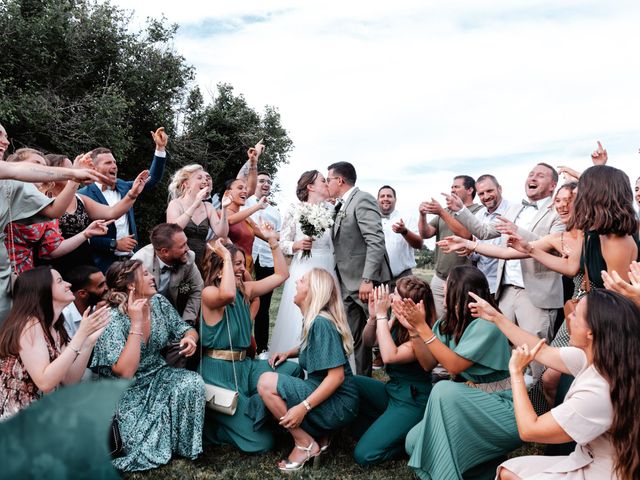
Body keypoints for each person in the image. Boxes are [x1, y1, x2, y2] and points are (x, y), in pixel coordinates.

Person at [468, 290, 640, 480]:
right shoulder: (604, 358)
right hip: (587, 459)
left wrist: (516, 373)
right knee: (508, 470)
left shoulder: (598, 392)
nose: (569, 316)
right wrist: (496, 317)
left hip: (604, 471)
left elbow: (529, 430)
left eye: (575, 314)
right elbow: (541, 352)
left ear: (590, 332)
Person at [397, 265, 520, 480]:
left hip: (503, 408)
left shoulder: (487, 325)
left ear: (460, 292)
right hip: (469, 403)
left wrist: (423, 328)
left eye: (448, 285)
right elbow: (427, 364)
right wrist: (413, 330)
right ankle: (487, 467)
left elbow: (453, 366)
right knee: (413, 442)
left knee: (444, 390)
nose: (443, 288)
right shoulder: (448, 323)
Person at [447, 164, 564, 380]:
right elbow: (483, 231)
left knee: (536, 355)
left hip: (537, 293)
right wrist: (460, 210)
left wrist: (516, 230)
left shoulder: (559, 211)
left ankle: (539, 408)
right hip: (506, 290)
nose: (533, 177)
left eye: (540, 175)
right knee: (500, 346)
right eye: (530, 174)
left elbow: (551, 246)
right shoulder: (515, 208)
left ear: (553, 185)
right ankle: (505, 402)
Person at [90, 259, 204, 472]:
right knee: (135, 445)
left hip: (158, 373)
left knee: (191, 381)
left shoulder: (159, 302)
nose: (153, 277)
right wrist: (136, 323)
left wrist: (190, 339)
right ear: (131, 285)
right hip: (125, 389)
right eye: (145, 274)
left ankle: (184, 447)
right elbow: (124, 373)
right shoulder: (113, 317)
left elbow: (184, 328)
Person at [200, 237, 303, 453]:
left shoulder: (244, 289)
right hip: (218, 374)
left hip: (245, 367)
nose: (241, 268)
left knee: (292, 370)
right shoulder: (209, 293)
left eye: (241, 263)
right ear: (220, 268)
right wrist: (226, 257)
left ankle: (256, 409)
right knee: (263, 443)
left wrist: (273, 242)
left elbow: (282, 275)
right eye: (236, 264)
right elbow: (226, 294)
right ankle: (214, 428)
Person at [255, 268, 358, 472]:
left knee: (266, 382)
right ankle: (323, 432)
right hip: (329, 394)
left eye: (301, 281)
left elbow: (336, 377)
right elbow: (313, 347)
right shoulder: (315, 320)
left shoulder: (320, 323)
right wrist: (289, 353)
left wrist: (303, 407)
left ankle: (305, 444)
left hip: (339, 402)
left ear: (312, 291)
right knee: (282, 375)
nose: (296, 283)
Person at [0, 267, 110, 420]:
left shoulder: (55, 326)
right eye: (60, 281)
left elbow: (70, 380)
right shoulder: (29, 325)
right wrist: (81, 334)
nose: (68, 284)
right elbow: (45, 382)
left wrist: (89, 341)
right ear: (42, 291)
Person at [352, 277, 435, 466]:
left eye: (395, 294)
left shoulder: (421, 331)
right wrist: (374, 317)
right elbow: (369, 342)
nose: (390, 296)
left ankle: (410, 445)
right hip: (393, 391)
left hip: (412, 401)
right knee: (351, 383)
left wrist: (382, 315)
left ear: (408, 304)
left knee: (364, 454)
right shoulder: (397, 319)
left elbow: (389, 356)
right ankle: (387, 430)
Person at [328, 161, 391, 377]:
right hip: (346, 283)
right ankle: (363, 381)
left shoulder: (362, 199)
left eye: (329, 179)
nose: (327, 183)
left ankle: (398, 380)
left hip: (365, 283)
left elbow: (375, 240)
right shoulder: (340, 205)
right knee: (355, 337)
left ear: (340, 180)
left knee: (382, 334)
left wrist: (367, 279)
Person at [4, 149, 112, 274]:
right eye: (36, 163)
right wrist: (75, 175)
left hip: (25, 274)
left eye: (45, 166)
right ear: (16, 165)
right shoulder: (7, 188)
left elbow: (53, 249)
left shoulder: (44, 201)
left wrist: (86, 233)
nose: (43, 169)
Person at [79, 127, 168, 272]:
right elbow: (83, 237)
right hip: (102, 265)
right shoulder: (83, 195)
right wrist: (114, 244)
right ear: (93, 168)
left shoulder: (124, 186)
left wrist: (160, 148)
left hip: (131, 261)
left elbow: (153, 178)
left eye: (114, 162)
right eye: (108, 163)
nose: (114, 166)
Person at [44, 153, 149, 274]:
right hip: (54, 268)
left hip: (84, 267)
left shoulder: (80, 198)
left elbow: (112, 212)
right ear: (52, 172)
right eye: (69, 168)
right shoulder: (42, 201)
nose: (74, 171)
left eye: (73, 167)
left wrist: (132, 194)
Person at [270, 170, 337, 355]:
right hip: (304, 266)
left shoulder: (332, 210)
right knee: (300, 312)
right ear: (310, 186)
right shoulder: (294, 209)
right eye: (323, 180)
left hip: (327, 265)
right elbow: (282, 243)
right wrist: (296, 245)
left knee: (327, 310)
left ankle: (326, 354)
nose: (327, 183)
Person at [418, 175, 482, 319]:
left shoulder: (478, 211)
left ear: (470, 190)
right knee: (440, 322)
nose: (452, 190)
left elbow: (466, 235)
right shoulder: (446, 211)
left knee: (462, 320)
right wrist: (422, 215)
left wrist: (441, 212)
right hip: (440, 278)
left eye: (456, 187)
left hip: (464, 280)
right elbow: (426, 233)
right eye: (451, 187)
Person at [132, 223, 204, 326]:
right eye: (182, 246)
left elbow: (197, 289)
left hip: (176, 314)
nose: (188, 249)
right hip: (145, 319)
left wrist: (187, 322)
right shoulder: (139, 264)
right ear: (165, 251)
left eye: (186, 243)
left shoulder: (188, 257)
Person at [244, 171, 281, 353]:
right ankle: (243, 342)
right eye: (262, 181)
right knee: (244, 301)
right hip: (247, 257)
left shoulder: (274, 211)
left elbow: (279, 235)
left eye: (268, 181)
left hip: (266, 259)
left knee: (264, 305)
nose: (266, 184)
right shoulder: (246, 202)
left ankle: (262, 347)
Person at [166, 164, 229, 267]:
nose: (205, 181)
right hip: (179, 260)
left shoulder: (208, 206)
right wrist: (195, 204)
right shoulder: (175, 204)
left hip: (201, 261)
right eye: (199, 178)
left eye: (206, 178)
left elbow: (222, 234)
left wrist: (225, 208)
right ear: (186, 184)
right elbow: (173, 230)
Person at [377, 185, 423, 286]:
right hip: (377, 279)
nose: (385, 198)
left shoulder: (407, 218)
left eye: (389, 196)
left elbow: (419, 244)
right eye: (382, 196)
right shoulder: (370, 219)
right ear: (377, 199)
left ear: (395, 199)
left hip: (403, 278)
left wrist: (404, 231)